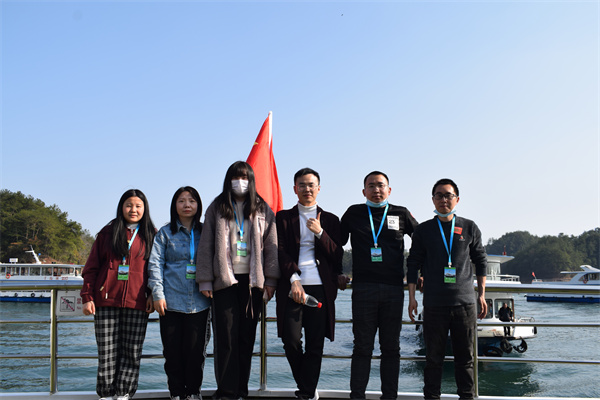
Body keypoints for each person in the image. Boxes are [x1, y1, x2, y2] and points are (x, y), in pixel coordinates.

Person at [196, 161, 279, 400]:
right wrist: (205, 280)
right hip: (224, 281)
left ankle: (241, 390)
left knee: (246, 338)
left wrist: (271, 280)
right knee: (225, 339)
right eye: (235, 177)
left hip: (253, 283)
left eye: (244, 177)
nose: (240, 182)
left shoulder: (262, 207)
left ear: (251, 180)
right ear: (228, 180)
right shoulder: (217, 207)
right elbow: (206, 245)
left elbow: (271, 246)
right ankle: (226, 391)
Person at [407, 178, 487, 400]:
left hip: (465, 304)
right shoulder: (423, 230)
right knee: (433, 360)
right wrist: (412, 298)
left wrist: (481, 295)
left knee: (466, 360)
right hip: (434, 304)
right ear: (432, 199)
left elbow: (481, 261)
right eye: (439, 195)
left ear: (457, 199)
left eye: (448, 195)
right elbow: (413, 263)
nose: (444, 199)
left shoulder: (469, 227)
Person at [340, 171, 418, 400]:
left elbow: (422, 240)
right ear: (364, 191)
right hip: (363, 289)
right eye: (371, 186)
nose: (376, 190)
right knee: (362, 347)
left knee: (391, 348)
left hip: (394, 289)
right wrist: (337, 272)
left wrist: (418, 272)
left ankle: (389, 397)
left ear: (389, 190)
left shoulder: (401, 213)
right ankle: (357, 396)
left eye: (381, 185)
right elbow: (336, 244)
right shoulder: (354, 213)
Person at [276, 168, 347, 400]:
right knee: (290, 340)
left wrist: (320, 233)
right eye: (302, 185)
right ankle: (307, 386)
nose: (307, 189)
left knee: (315, 343)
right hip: (292, 287)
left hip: (320, 288)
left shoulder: (330, 220)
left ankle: (306, 393)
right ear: (294, 188)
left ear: (319, 188)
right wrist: (294, 279)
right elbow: (280, 251)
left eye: (311, 185)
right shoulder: (283, 218)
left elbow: (337, 254)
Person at [81, 189, 156, 400]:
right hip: (106, 301)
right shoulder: (107, 233)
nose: (133, 210)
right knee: (107, 352)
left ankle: (124, 393)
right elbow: (91, 268)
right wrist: (87, 297)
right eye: (129, 205)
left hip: (138, 301)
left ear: (145, 208)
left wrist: (151, 294)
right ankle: (106, 395)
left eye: (138, 206)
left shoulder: (151, 234)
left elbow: (156, 269)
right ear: (121, 207)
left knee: (132, 351)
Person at [148, 187, 211, 400]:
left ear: (198, 205)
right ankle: (176, 394)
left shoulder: (206, 232)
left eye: (191, 201)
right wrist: (157, 294)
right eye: (181, 201)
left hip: (200, 302)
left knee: (196, 353)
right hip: (170, 301)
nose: (187, 205)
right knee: (172, 353)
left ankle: (193, 393)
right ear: (175, 205)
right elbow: (155, 263)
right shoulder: (165, 233)